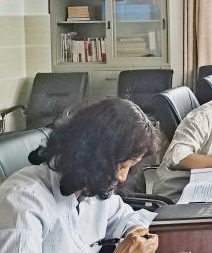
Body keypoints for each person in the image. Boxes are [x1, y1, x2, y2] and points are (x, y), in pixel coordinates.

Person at [0, 98, 160, 253]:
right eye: (122, 166)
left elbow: (124, 216)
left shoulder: (90, 186)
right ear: (94, 155)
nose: (122, 177)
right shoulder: (22, 205)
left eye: (129, 167)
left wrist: (137, 233)